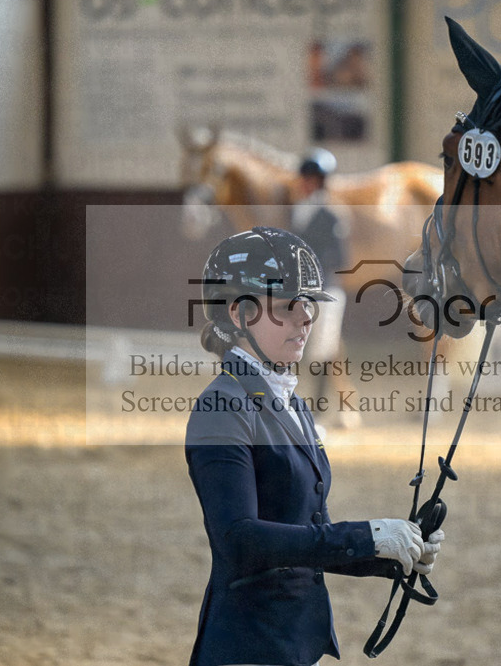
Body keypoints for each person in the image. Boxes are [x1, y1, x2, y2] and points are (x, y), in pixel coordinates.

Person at [186, 227, 444, 666]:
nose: (306, 317)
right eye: (287, 307)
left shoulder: (294, 403)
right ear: (239, 314)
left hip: (296, 642)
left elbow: (309, 531)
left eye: (308, 304)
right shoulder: (220, 407)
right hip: (247, 645)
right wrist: (367, 535)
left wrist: (389, 552)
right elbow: (240, 539)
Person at [291, 149, 349, 411]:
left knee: (323, 350)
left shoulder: (333, 214)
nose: (304, 183)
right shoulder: (298, 210)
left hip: (326, 289)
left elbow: (339, 256)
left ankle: (319, 408)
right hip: (299, 290)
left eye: (309, 179)